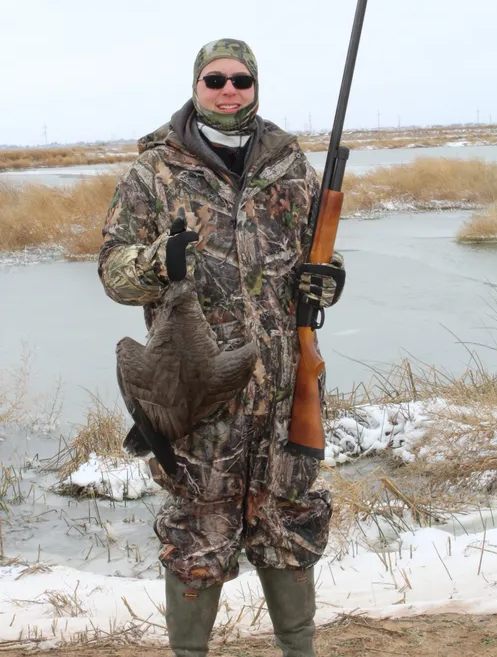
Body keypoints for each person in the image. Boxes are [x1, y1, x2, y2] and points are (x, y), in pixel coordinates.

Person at [98, 38, 345, 657]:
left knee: (288, 524)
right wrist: (159, 261)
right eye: (216, 79)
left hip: (286, 392)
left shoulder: (291, 168)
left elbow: (321, 256)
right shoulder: (152, 174)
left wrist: (329, 279)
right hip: (199, 398)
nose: (228, 89)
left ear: (255, 86)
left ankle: (300, 650)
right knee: (197, 535)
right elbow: (113, 272)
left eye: (241, 79)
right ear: (196, 85)